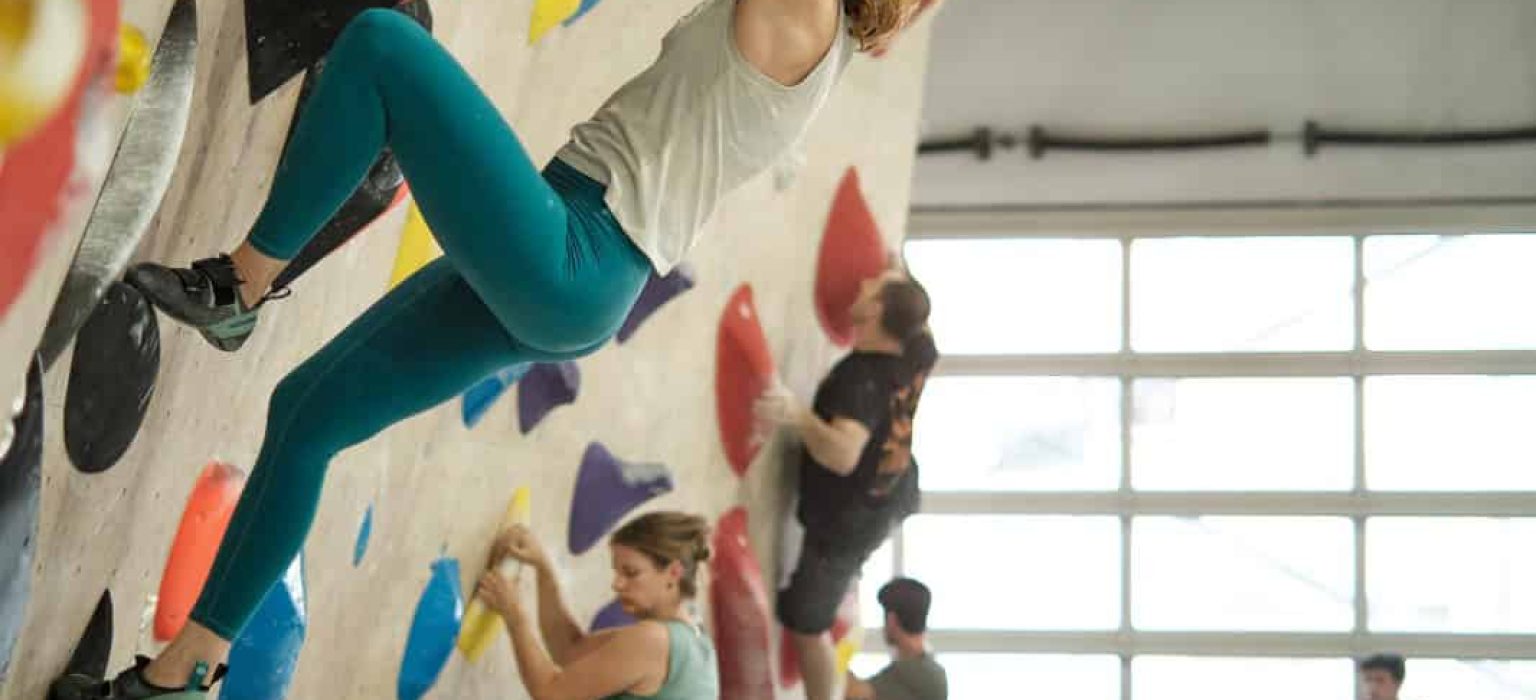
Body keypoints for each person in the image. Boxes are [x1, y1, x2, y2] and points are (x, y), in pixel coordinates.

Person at [50, 0, 939, 696]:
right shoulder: (825, 49)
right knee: (306, 418)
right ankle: (181, 675)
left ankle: (239, 284)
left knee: (382, 48)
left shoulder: (809, 15)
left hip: (576, 252)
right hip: (573, 265)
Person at [755, 268, 937, 700]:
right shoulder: (912, 359)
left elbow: (841, 455)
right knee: (822, 591)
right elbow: (918, 318)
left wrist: (797, 415)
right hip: (889, 497)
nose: (859, 284)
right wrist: (901, 283)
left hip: (852, 518)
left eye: (870, 288)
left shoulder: (862, 379)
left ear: (876, 310)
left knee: (805, 619)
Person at [474, 511, 718, 699]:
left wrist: (514, 616)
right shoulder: (695, 640)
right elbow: (570, 650)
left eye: (631, 573)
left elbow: (551, 694)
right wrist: (544, 570)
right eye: (617, 572)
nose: (617, 584)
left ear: (673, 573)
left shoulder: (655, 640)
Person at [844, 578, 946, 700]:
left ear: (892, 620)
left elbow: (852, 692)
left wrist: (845, 645)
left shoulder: (909, 671)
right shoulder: (932, 670)